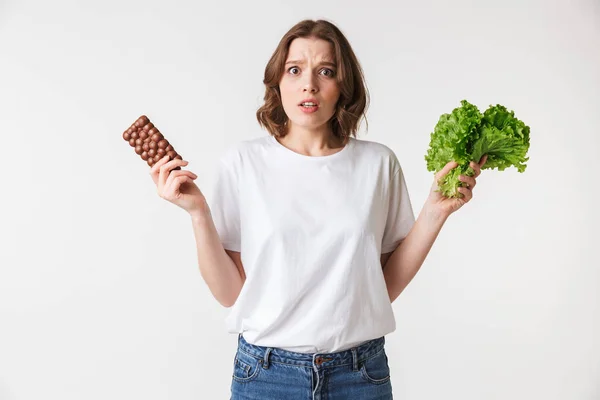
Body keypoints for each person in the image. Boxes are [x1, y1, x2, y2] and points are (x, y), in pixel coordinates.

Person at [149, 19, 487, 400]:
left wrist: (435, 212)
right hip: (266, 374)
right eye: (295, 70)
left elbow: (382, 287)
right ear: (277, 82)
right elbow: (231, 295)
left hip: (360, 375)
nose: (309, 84)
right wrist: (198, 213)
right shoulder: (243, 162)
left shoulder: (378, 164)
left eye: (326, 71)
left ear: (343, 86)